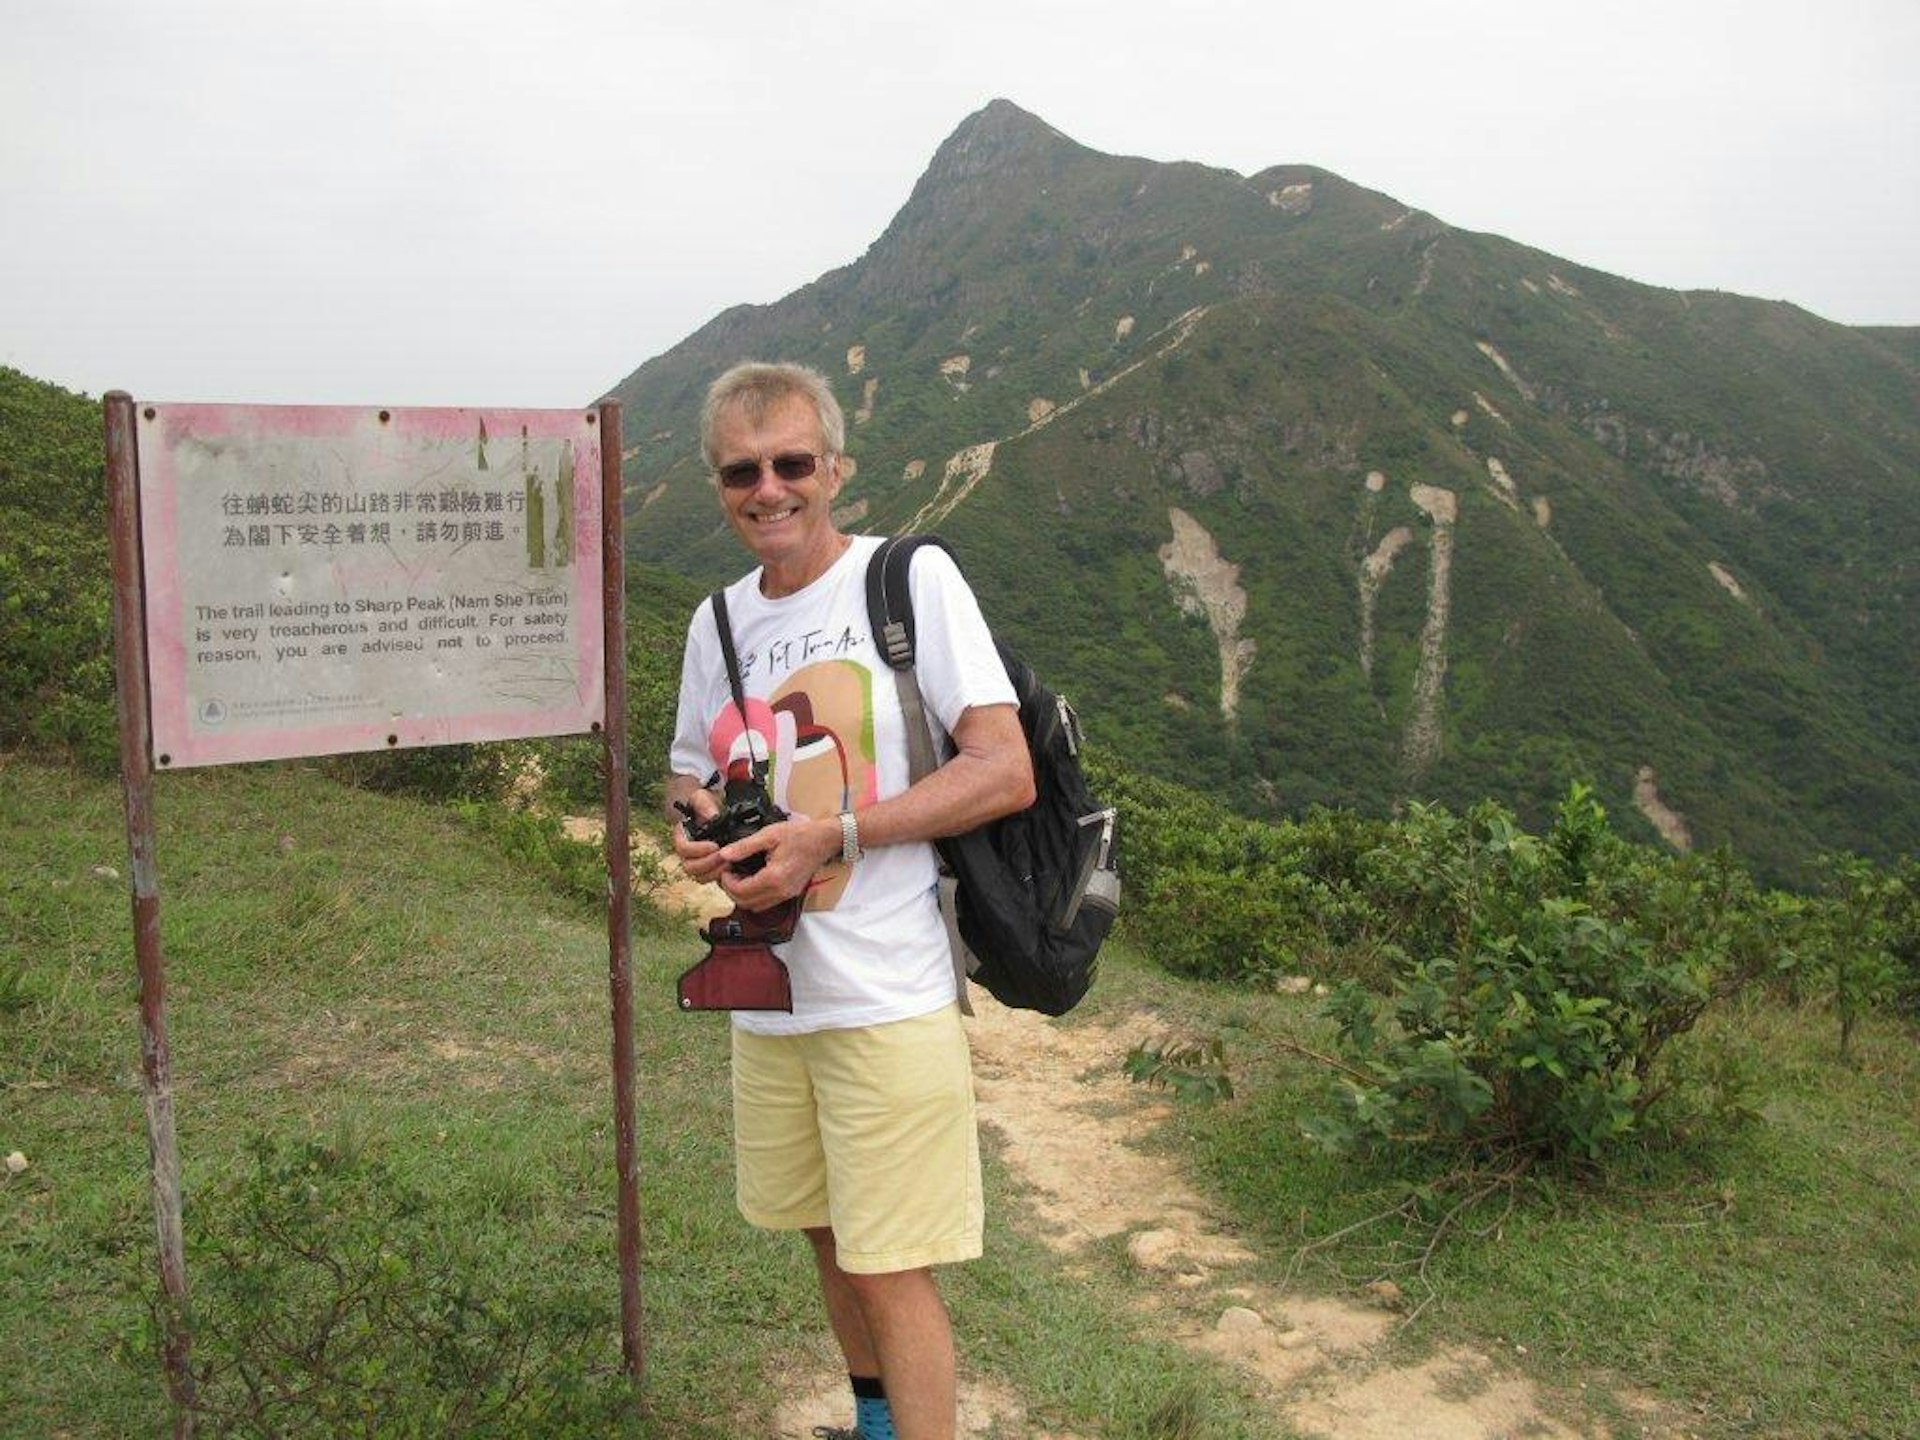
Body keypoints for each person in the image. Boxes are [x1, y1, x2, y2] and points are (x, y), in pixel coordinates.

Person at [667, 361, 1035, 1440]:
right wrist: (698, 827)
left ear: (836, 468)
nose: (768, 489)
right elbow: (690, 768)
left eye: (791, 464)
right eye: (743, 471)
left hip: (885, 988)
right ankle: (873, 1428)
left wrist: (838, 833)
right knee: (825, 1235)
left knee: (893, 1265)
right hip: (772, 991)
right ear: (719, 484)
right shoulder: (718, 624)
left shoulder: (906, 582)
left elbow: (1004, 768)